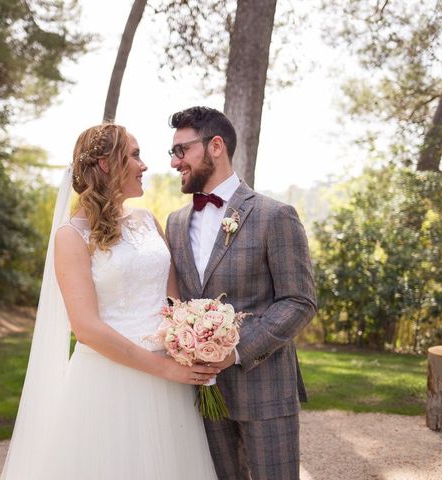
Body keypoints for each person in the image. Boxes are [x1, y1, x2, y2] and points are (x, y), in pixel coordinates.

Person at [0, 123, 218, 479]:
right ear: (105, 164)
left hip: (170, 377)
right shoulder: (71, 237)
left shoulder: (147, 221)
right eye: (134, 155)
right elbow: (86, 329)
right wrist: (163, 368)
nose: (144, 165)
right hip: (112, 381)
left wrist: (195, 338)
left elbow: (171, 300)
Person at [165, 106, 317, 480]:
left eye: (181, 150)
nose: (173, 162)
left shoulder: (274, 215)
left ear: (215, 146)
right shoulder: (176, 222)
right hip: (203, 397)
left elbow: (299, 301)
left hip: (264, 392)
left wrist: (232, 351)